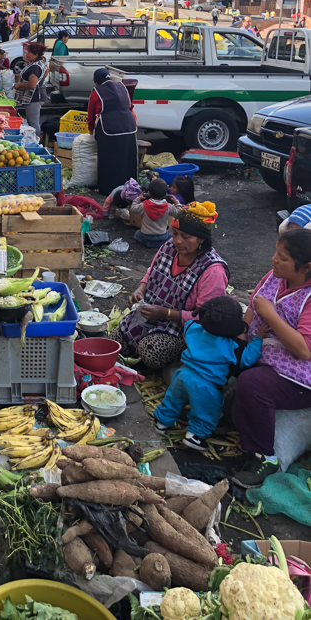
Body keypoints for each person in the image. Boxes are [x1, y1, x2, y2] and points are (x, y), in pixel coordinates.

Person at [233, 230, 311, 487]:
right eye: (276, 253)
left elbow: (303, 349)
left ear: (306, 267)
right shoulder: (273, 277)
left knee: (252, 384)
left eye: (283, 257)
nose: (274, 260)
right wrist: (240, 339)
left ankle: (266, 457)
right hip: (262, 353)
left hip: (298, 378)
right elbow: (252, 310)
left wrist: (271, 314)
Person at [110, 202, 229, 370]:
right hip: (152, 317)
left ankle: (180, 362)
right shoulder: (168, 247)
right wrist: (141, 289)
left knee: (150, 351)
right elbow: (152, 271)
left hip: (181, 330)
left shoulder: (212, 270)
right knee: (115, 341)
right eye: (175, 233)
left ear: (201, 239)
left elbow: (206, 318)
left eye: (186, 237)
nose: (178, 241)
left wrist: (167, 314)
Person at [154, 296, 264, 451]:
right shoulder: (232, 345)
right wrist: (258, 339)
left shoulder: (193, 328)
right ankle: (194, 436)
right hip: (206, 386)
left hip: (182, 375)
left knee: (172, 400)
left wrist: (212, 312)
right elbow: (248, 359)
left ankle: (161, 424)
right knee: (206, 411)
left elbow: (192, 322)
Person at [87, 68, 138, 195]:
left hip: (108, 128)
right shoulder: (122, 87)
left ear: (96, 81)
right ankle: (130, 186)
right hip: (129, 125)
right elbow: (130, 107)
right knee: (127, 156)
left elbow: (91, 115)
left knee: (108, 158)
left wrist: (91, 130)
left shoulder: (96, 92)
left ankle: (107, 188)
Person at [130, 177, 181, 248]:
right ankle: (159, 244)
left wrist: (138, 199)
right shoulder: (168, 206)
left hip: (145, 235)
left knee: (137, 234)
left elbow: (133, 209)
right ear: (165, 195)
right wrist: (176, 202)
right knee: (169, 235)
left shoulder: (144, 205)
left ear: (149, 193)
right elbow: (179, 213)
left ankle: (148, 243)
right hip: (162, 236)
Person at [13, 42, 48, 136]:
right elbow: (47, 69)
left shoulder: (35, 67)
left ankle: (36, 141)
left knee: (33, 122)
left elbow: (32, 85)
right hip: (34, 96)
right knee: (32, 121)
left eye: (29, 52)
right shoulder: (38, 63)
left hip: (34, 97)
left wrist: (19, 84)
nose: (26, 53)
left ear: (36, 55)